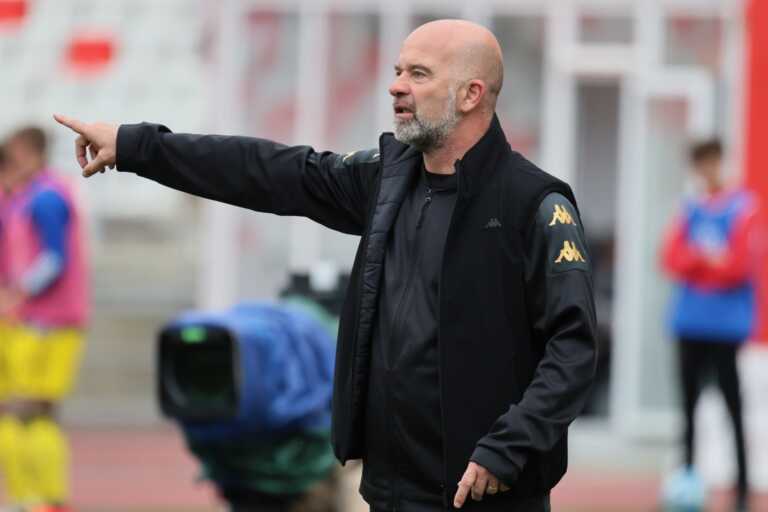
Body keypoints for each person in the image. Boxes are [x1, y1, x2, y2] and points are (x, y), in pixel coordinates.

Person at [55, 19, 597, 512]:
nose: (396, 86)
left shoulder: (533, 204)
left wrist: (507, 448)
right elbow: (271, 172)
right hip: (390, 492)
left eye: (418, 74)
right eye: (397, 71)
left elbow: (572, 349)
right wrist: (136, 146)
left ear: (471, 94)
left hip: (487, 492)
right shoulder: (387, 181)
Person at [660, 139, 755, 512]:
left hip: (726, 328)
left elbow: (739, 266)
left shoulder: (743, 208)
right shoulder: (689, 209)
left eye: (712, 162)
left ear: (721, 163)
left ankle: (742, 490)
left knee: (734, 408)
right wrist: (707, 258)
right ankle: (687, 484)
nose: (707, 171)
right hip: (689, 324)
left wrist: (698, 261)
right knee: (687, 410)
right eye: (701, 164)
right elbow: (670, 258)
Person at [0, 127, 89, 512]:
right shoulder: (21, 198)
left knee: (29, 412)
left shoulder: (46, 197)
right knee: (23, 414)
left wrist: (16, 294)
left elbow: (53, 259)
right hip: (26, 320)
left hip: (45, 322)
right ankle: (30, 497)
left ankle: (41, 498)